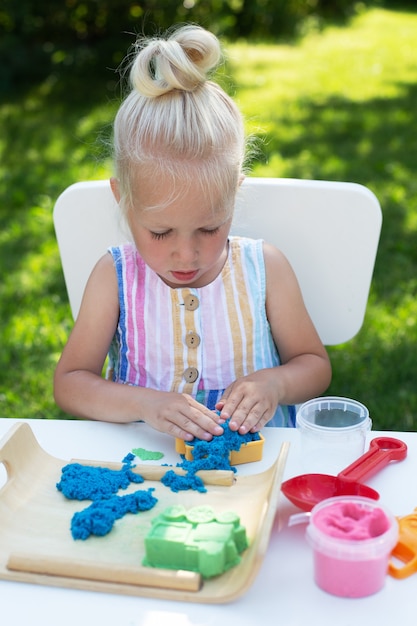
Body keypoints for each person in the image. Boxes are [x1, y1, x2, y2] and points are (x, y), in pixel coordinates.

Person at [53, 24, 331, 443]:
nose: (187, 255)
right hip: (144, 464)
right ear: (123, 202)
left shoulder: (264, 268)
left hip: (258, 466)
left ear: (234, 197)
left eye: (209, 228)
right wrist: (144, 403)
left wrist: (275, 384)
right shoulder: (116, 277)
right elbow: (70, 383)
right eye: (161, 232)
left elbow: (314, 364)